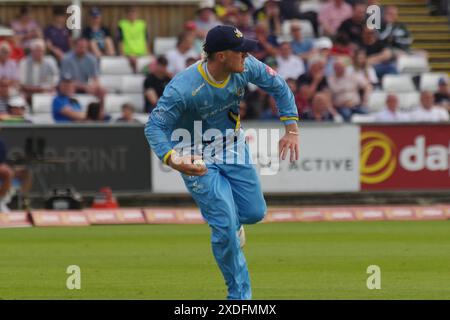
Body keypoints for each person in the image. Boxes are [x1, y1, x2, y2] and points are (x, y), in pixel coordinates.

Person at [144, 25, 299, 300]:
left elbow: (278, 85)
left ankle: (232, 224)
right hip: (194, 155)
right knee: (224, 228)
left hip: (233, 145)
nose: (246, 55)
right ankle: (239, 297)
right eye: (240, 51)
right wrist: (174, 159)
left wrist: (292, 128)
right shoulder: (183, 88)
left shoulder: (246, 66)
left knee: (254, 213)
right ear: (222, 56)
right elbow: (154, 127)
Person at [117, 7, 151, 71]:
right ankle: (135, 74)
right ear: (126, 15)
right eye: (130, 14)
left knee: (153, 60)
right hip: (129, 52)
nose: (132, 16)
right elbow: (120, 39)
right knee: (133, 60)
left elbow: (146, 39)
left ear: (137, 14)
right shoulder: (122, 24)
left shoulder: (142, 24)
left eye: (133, 14)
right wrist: (122, 52)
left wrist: (148, 51)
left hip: (141, 51)